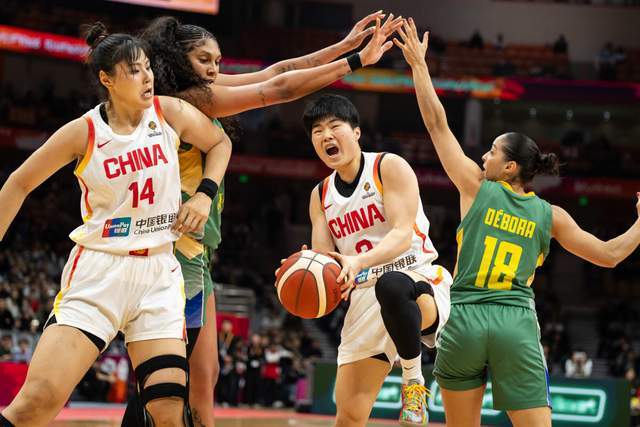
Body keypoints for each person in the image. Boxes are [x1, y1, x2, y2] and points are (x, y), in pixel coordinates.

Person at [139, 12, 402, 426]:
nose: (214, 69)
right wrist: (355, 63)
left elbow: (275, 72)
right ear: (176, 60)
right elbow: (278, 89)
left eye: (218, 61)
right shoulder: (189, 100)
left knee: (203, 375)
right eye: (203, 60)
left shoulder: (202, 91)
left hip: (197, 253)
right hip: (174, 249)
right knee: (174, 380)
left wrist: (344, 46)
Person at [395, 18, 640, 426]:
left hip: (465, 319)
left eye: (492, 151)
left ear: (509, 167)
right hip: (515, 323)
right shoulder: (551, 215)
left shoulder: (476, 187)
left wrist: (419, 66)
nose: (483, 156)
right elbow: (610, 255)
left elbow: (437, 124)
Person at [0, 24, 231, 427]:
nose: (147, 78)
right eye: (135, 71)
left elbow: (219, 143)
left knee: (167, 410)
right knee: (37, 402)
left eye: (148, 68)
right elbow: (18, 183)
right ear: (107, 79)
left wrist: (204, 194)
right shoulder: (84, 131)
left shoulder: (169, 112)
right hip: (101, 271)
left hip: (159, 274)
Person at [288, 94, 452, 426]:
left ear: (357, 132)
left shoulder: (388, 166)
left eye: (334, 126)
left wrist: (359, 262)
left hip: (416, 279)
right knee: (348, 417)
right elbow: (328, 261)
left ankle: (413, 381)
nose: (326, 136)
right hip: (364, 297)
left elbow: (402, 233)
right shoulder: (320, 195)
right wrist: (307, 267)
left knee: (392, 286)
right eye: (317, 131)